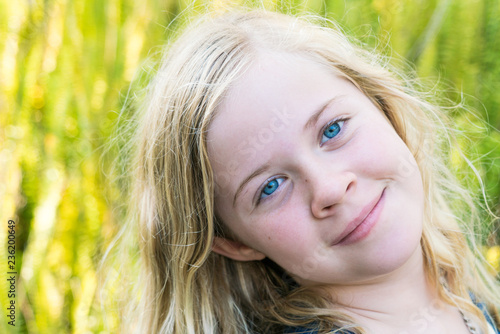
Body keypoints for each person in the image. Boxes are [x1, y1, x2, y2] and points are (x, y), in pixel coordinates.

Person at [116, 9, 500, 333]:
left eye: (332, 130)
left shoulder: (476, 306)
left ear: (384, 108)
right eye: (270, 187)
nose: (330, 188)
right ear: (236, 243)